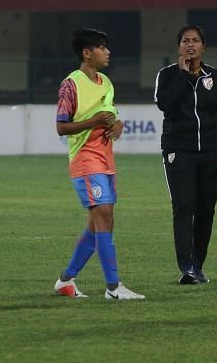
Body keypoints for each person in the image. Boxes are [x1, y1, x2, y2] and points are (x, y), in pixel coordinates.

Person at [53, 28, 145, 301]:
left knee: (102, 222)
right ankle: (113, 287)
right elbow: (61, 127)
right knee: (102, 214)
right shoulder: (71, 84)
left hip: (105, 158)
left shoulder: (105, 81)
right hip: (85, 158)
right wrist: (93, 122)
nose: (107, 52)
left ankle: (65, 280)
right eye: (102, 47)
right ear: (87, 52)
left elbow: (111, 111)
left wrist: (117, 123)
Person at [154, 24, 217, 285]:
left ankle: (198, 264)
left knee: (206, 210)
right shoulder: (167, 75)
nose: (191, 45)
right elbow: (166, 104)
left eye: (196, 40)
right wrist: (182, 75)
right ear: (178, 47)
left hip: (211, 153)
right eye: (186, 41)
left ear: (203, 46)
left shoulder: (216, 77)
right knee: (183, 207)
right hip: (179, 151)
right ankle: (186, 266)